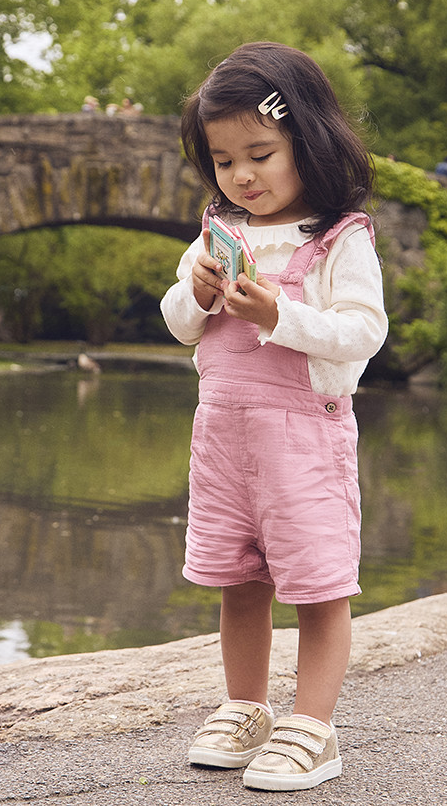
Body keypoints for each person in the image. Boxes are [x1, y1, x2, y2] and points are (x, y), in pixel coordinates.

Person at [160, 42, 387, 792]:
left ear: (308, 141)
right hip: (224, 439)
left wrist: (282, 313)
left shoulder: (338, 237)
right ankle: (246, 706)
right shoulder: (217, 230)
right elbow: (179, 325)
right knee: (238, 579)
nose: (242, 176)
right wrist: (193, 290)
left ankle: (313, 726)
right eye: (225, 161)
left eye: (260, 153)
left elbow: (361, 331)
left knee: (318, 584)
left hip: (303, 439)